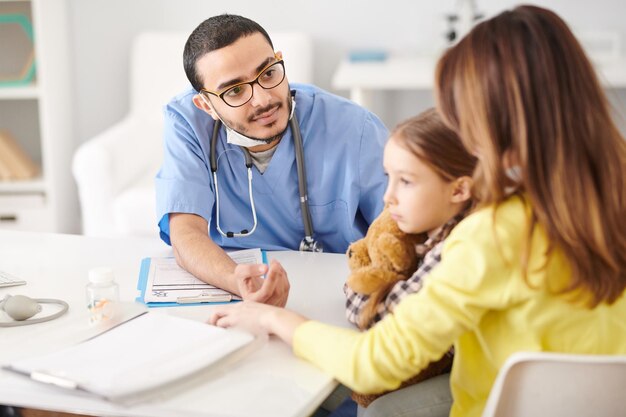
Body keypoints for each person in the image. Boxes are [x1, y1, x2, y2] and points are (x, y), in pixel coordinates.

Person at [208, 5, 626, 417]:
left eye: (465, 114)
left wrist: (272, 319)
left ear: (497, 122)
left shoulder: (493, 235)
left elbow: (371, 365)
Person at [155, 14, 388, 306]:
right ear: (206, 105)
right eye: (235, 91)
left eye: (268, 73)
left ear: (279, 60)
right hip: (235, 292)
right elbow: (185, 232)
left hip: (336, 294)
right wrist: (238, 281)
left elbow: (402, 230)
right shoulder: (187, 124)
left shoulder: (353, 127)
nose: (263, 100)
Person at [342, 108, 476, 415]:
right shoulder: (433, 232)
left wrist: (359, 284)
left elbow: (379, 318)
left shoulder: (460, 244)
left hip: (489, 377)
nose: (388, 197)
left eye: (406, 182)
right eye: (389, 179)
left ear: (458, 189)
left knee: (379, 410)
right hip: (454, 361)